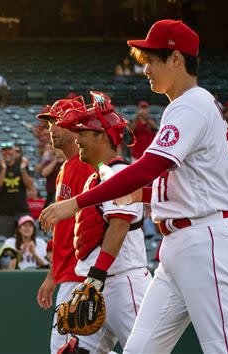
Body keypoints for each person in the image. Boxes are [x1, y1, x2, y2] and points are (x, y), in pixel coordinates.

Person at [40, 20, 228, 353]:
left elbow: (149, 168)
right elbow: (183, 185)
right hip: (181, 244)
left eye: (151, 59)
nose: (145, 68)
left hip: (206, 239)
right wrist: (144, 193)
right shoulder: (185, 106)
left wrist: (75, 203)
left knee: (225, 350)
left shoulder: (191, 104)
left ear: (176, 59)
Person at [54, 92, 152, 354]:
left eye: (83, 133)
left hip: (123, 283)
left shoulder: (118, 172)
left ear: (101, 136)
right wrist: (93, 279)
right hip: (99, 284)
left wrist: (97, 275)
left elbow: (119, 225)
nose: (78, 139)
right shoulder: (96, 175)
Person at [32, 97, 95, 354]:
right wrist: (52, 275)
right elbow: (63, 229)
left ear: (74, 126)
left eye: (58, 122)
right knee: (81, 348)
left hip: (81, 273)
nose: (52, 129)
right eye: (50, 123)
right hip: (68, 273)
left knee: (64, 347)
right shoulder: (64, 168)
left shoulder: (86, 167)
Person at [0, 141, 33, 236]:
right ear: (1, 153)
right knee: (3, 241)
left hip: (22, 211)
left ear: (14, 151)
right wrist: (4, 169)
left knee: (26, 238)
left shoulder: (22, 166)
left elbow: (30, 185)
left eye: (9, 150)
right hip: (3, 213)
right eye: (4, 151)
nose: (7, 153)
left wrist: (22, 170)